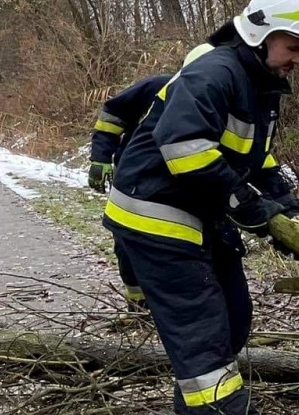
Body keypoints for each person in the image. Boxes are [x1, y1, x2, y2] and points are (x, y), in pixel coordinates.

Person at [103, 0, 299, 415]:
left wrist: (284, 200)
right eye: (294, 48)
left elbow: (253, 153)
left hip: (198, 209)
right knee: (200, 324)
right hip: (156, 210)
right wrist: (242, 200)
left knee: (235, 314)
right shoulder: (215, 72)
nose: (297, 60)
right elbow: (182, 145)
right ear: (263, 35)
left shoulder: (257, 84)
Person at [89, 44, 214, 305]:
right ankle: (138, 300)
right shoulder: (157, 86)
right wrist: (100, 157)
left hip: (180, 183)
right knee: (128, 239)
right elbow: (112, 115)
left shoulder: (217, 100)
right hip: (133, 177)